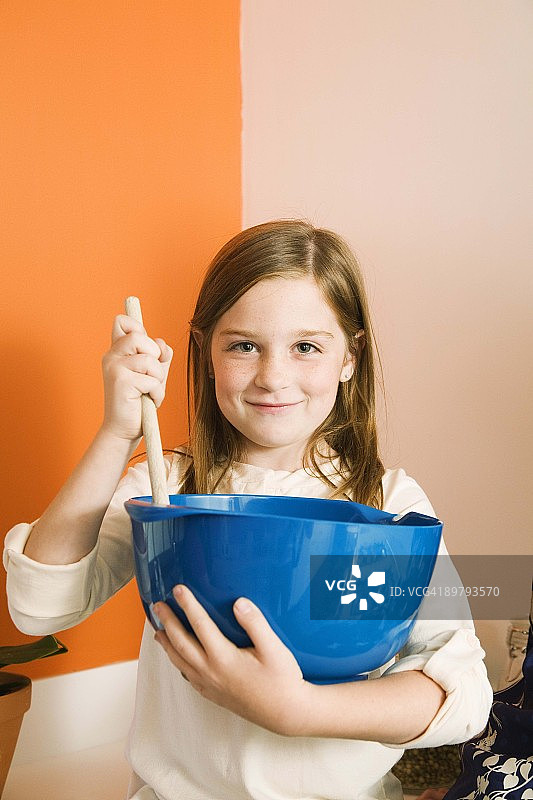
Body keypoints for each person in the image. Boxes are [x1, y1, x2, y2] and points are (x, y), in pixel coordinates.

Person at [3, 219, 492, 800]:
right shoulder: (165, 486)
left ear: (349, 358)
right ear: (206, 350)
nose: (272, 376)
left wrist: (299, 710)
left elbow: (462, 696)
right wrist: (115, 433)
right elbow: (37, 608)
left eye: (306, 346)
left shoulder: (392, 505)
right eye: (243, 345)